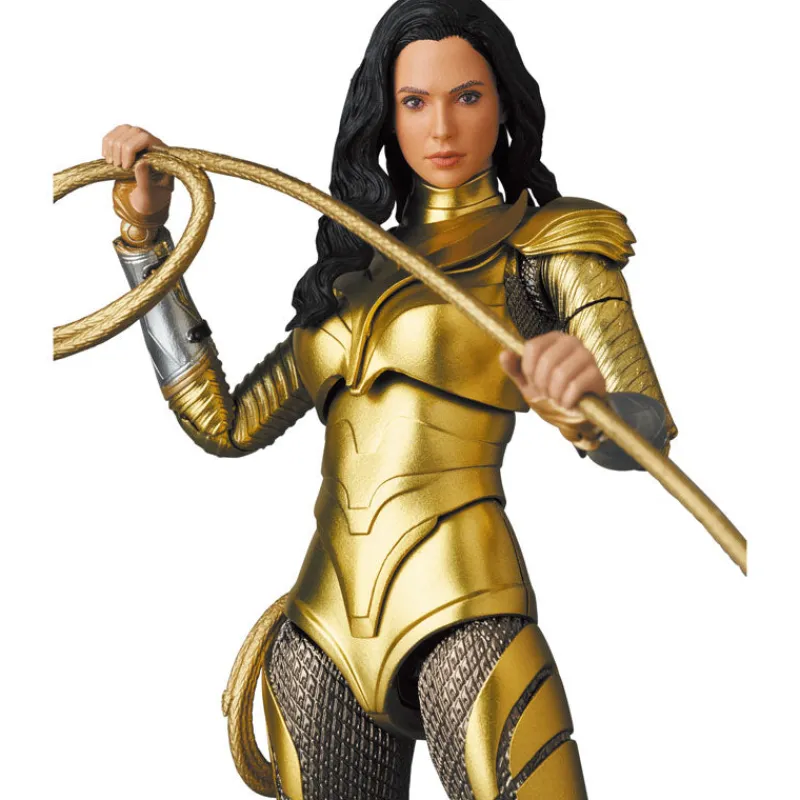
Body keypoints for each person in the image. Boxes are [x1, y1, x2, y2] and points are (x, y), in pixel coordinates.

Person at [101, 1, 674, 797]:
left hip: (465, 607)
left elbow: (645, 430)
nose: (441, 127)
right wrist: (145, 243)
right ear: (386, 113)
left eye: (467, 96)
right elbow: (224, 422)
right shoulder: (354, 271)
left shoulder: (548, 246)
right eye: (415, 101)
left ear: (504, 103)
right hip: (323, 626)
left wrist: (582, 406)